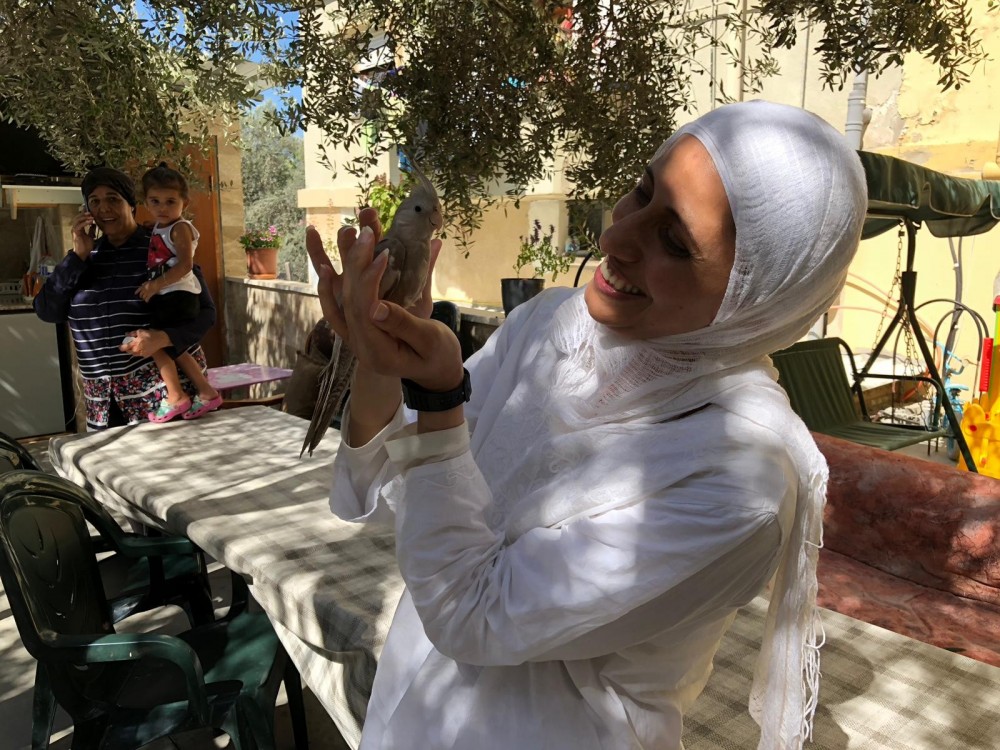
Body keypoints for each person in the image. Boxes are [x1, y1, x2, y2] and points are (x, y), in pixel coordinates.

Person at [307, 100, 867, 750]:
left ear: (757, 294)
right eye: (641, 192)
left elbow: (472, 614)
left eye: (674, 242)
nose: (614, 238)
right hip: (413, 711)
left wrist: (439, 397)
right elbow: (396, 493)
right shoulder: (552, 324)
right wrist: (379, 358)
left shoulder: (738, 485)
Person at [34, 167, 217, 430]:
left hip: (163, 396)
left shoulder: (161, 246)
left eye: (113, 198)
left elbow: (206, 312)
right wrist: (78, 256)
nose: (103, 208)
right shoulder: (83, 259)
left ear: (131, 204)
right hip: (103, 403)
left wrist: (164, 338)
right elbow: (47, 311)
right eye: (94, 201)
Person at [137, 163, 222, 422]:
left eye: (170, 201)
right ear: (146, 202)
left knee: (156, 345)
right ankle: (205, 392)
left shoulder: (180, 228)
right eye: (155, 201)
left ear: (185, 202)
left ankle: (176, 396)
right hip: (171, 295)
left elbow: (185, 265)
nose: (162, 208)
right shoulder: (160, 226)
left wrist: (155, 285)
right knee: (175, 348)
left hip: (178, 296)